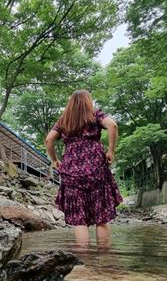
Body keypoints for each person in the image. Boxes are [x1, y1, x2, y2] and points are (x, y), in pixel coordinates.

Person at [45, 90, 122, 245]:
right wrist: (111, 151)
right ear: (88, 101)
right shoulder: (95, 115)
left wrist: (55, 160)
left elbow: (48, 140)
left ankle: (85, 259)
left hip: (71, 170)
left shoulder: (64, 120)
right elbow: (112, 125)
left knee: (80, 220)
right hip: (96, 167)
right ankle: (105, 259)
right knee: (101, 217)